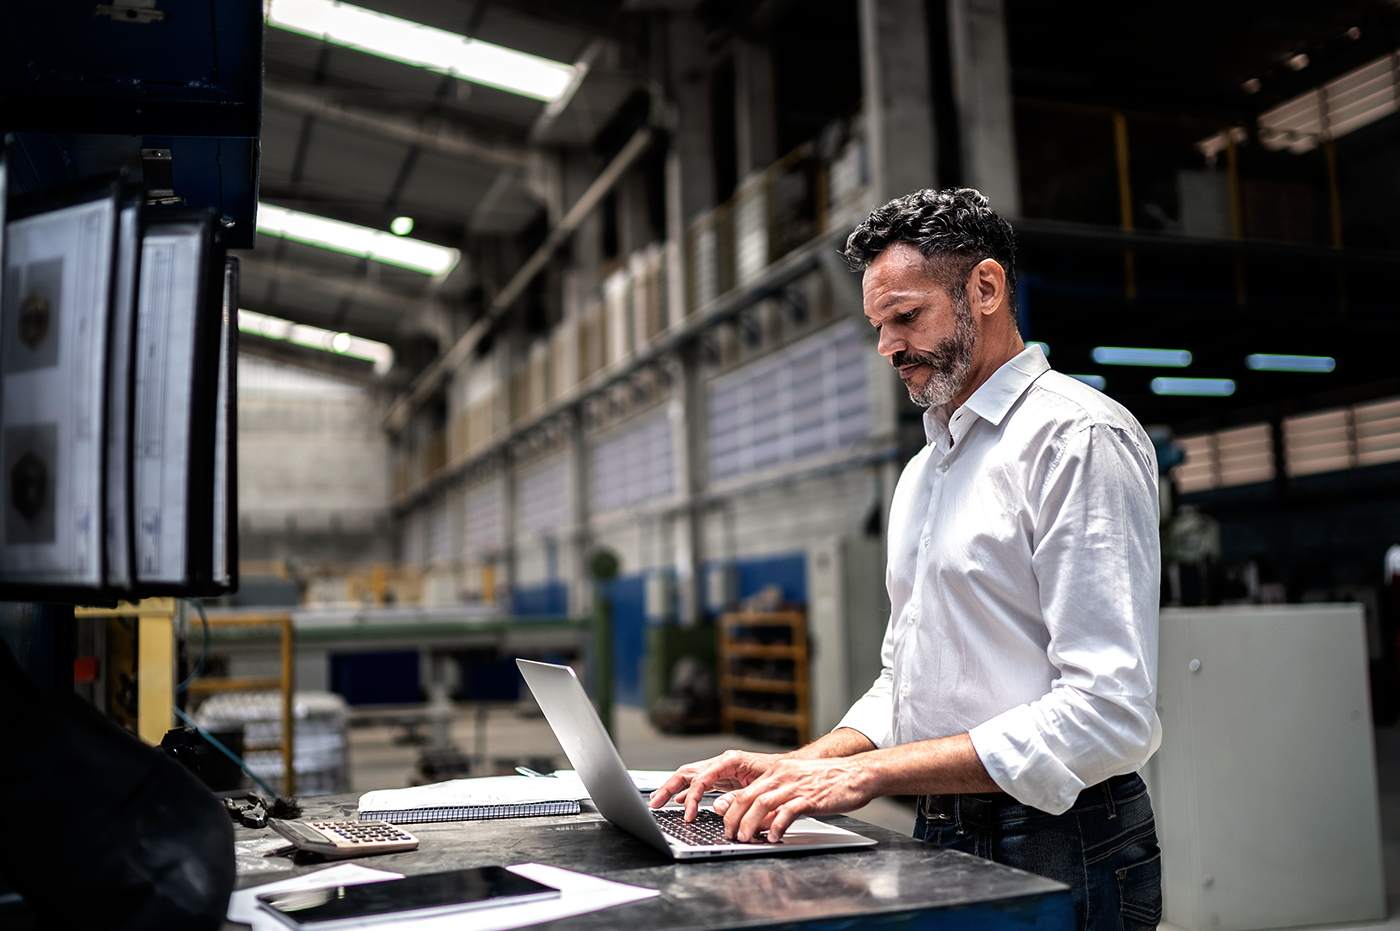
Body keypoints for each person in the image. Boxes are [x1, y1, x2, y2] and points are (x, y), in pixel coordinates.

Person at [650, 188, 1163, 931]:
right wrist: (808, 762)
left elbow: (1108, 713)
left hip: (1062, 838)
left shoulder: (1076, 439)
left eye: (906, 316)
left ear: (984, 288)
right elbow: (908, 679)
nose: (888, 345)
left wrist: (864, 775)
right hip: (943, 822)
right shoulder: (928, 469)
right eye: (878, 325)